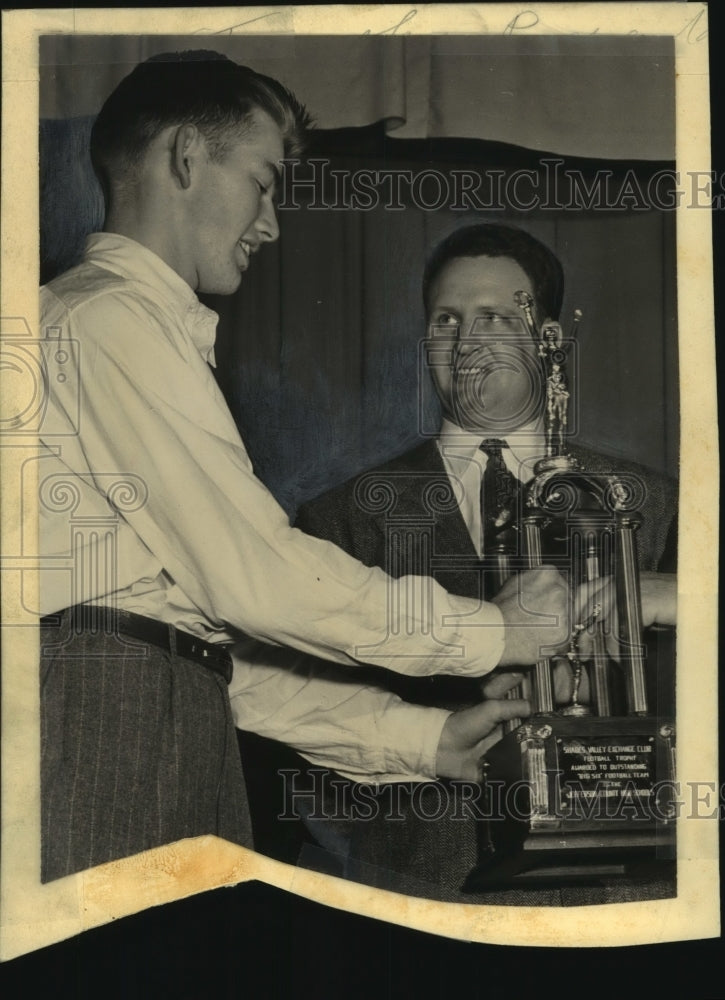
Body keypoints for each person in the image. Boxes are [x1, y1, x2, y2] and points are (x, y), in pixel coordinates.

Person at [38, 55, 585, 882]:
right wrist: (495, 631)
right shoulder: (109, 317)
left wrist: (421, 738)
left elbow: (204, 651)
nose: (271, 223)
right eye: (262, 183)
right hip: (112, 735)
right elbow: (257, 580)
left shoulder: (116, 325)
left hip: (152, 729)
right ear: (187, 157)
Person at [240, 223, 677, 903]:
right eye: (446, 319)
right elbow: (296, 733)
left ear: (548, 340)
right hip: (419, 897)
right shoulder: (339, 518)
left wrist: (674, 596)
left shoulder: (656, 502)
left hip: (618, 896)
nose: (468, 341)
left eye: (496, 317)